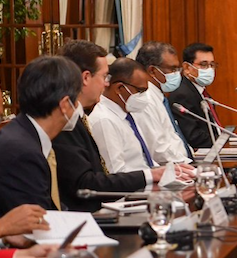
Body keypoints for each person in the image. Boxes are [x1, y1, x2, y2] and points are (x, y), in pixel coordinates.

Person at [54, 41, 169, 212]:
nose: (107, 84)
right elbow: (85, 184)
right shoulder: (65, 122)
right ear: (85, 78)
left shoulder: (78, 117)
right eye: (104, 76)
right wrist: (149, 175)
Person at [0, 56, 82, 217]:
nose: (78, 108)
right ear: (64, 105)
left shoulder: (26, 136)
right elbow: (37, 224)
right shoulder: (22, 151)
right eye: (76, 101)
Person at [88, 58, 160, 173]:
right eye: (140, 91)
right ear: (119, 88)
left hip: (147, 182)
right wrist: (153, 176)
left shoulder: (127, 113)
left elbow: (143, 161)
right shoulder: (104, 120)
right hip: (132, 189)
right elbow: (115, 173)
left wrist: (168, 171)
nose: (145, 97)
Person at [135, 41, 193, 162]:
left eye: (178, 68)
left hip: (181, 164)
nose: (177, 74)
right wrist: (189, 166)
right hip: (171, 170)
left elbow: (172, 137)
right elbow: (158, 150)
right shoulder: (146, 100)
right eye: (172, 69)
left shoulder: (159, 97)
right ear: (152, 71)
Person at [168, 43, 221, 149]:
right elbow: (194, 137)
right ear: (187, 67)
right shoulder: (182, 94)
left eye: (212, 65)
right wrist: (222, 142)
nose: (210, 70)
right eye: (204, 65)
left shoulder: (201, 92)